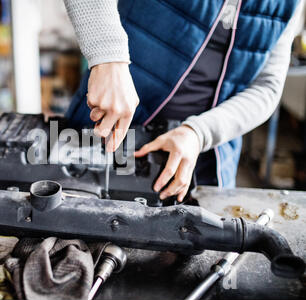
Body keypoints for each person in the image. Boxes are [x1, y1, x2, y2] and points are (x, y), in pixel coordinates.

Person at [63, 0, 303, 202]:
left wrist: (198, 133)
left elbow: (267, 88)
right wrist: (107, 56)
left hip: (205, 166)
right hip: (101, 140)